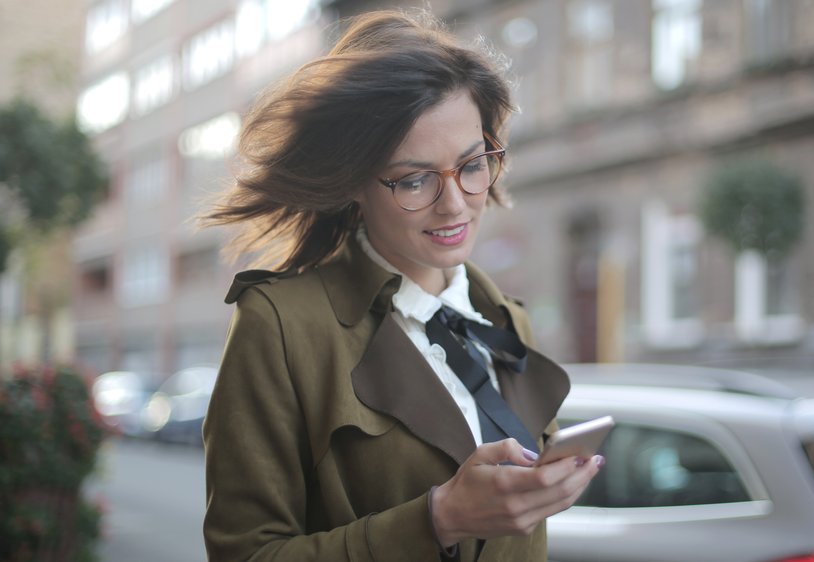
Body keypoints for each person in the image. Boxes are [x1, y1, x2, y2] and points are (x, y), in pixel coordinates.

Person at [201, 9, 604, 562]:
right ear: (354, 184)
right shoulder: (280, 325)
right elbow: (244, 554)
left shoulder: (506, 320)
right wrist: (439, 519)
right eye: (414, 179)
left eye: (472, 164)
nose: (456, 203)